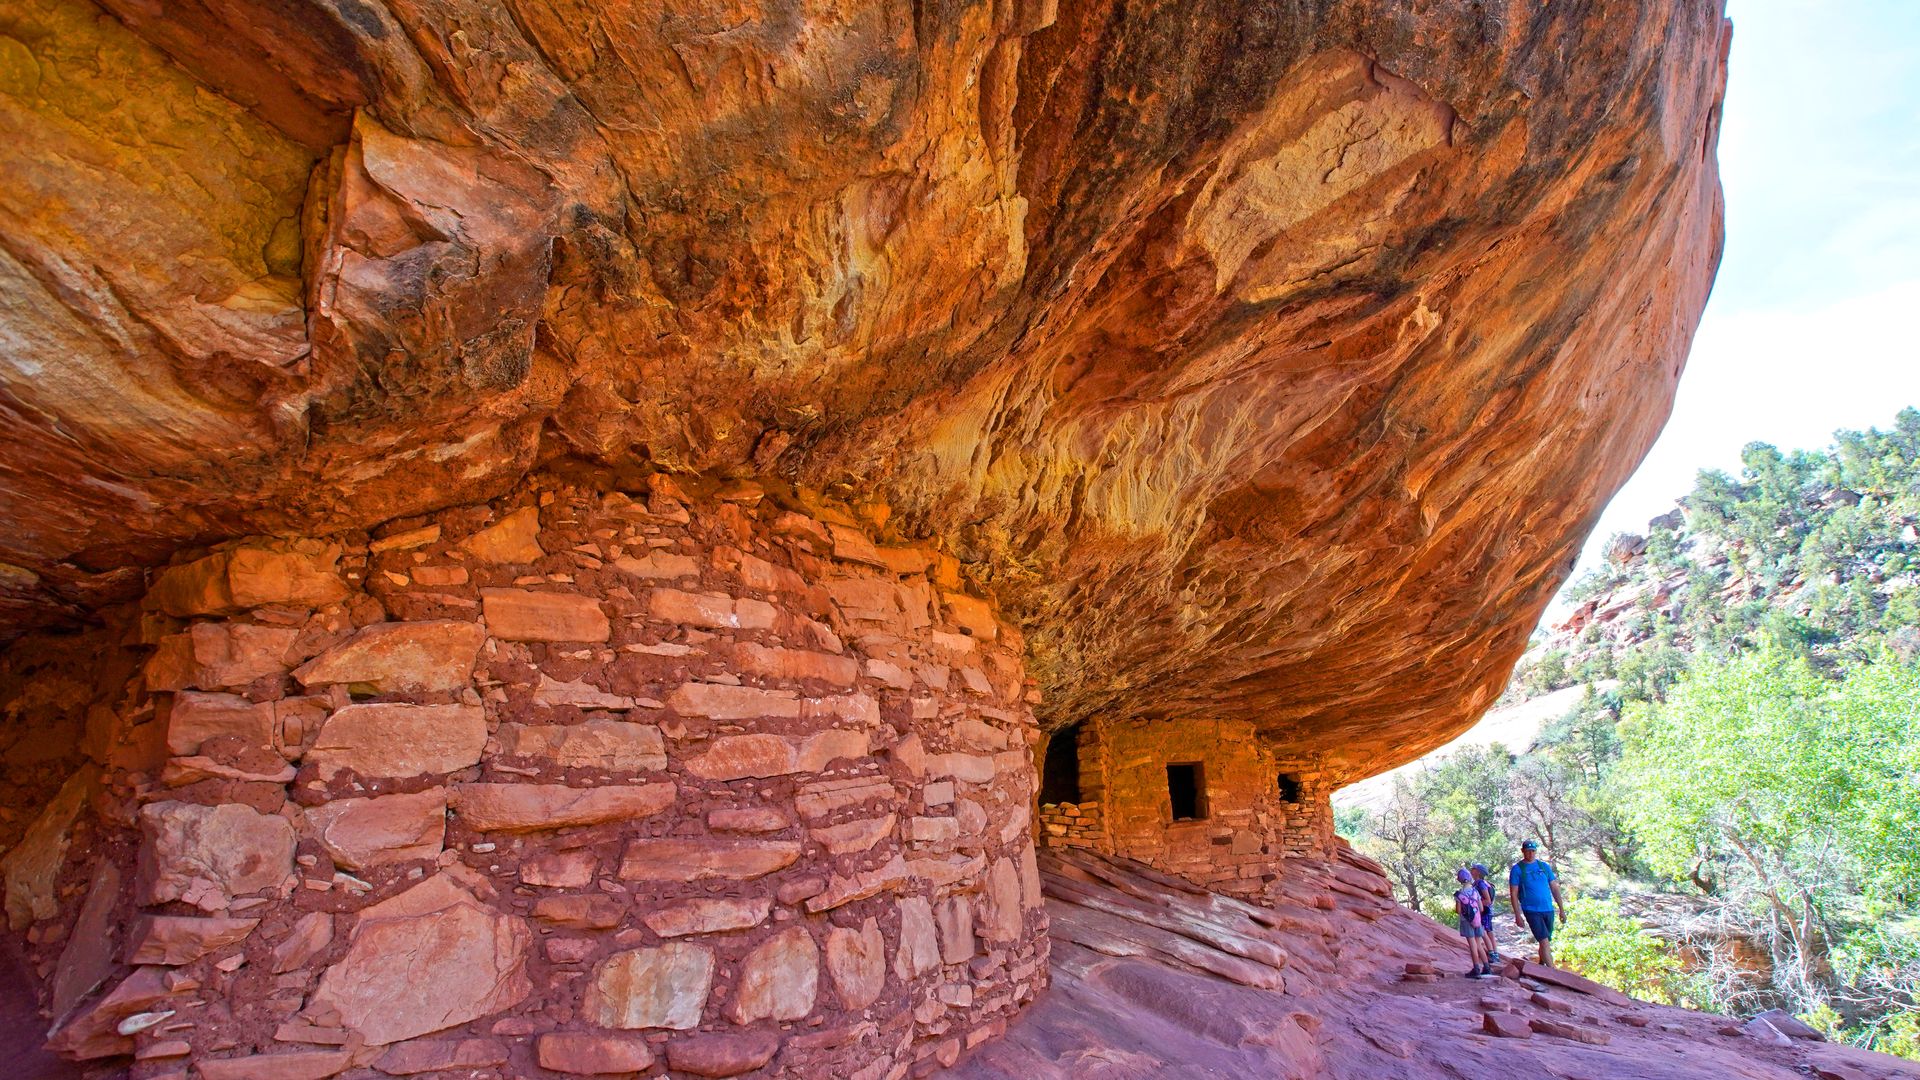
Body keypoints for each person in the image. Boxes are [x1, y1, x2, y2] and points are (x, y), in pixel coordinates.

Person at [1508, 839, 1568, 967]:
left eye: (1533, 851)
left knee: (1545, 940)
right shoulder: (1518, 869)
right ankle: (1553, 973)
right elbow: (1513, 893)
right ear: (1522, 851)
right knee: (1544, 940)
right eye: (1528, 851)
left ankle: (1541, 966)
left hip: (1548, 908)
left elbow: (1554, 887)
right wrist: (1518, 915)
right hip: (1531, 910)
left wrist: (1561, 909)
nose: (1531, 854)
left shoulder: (1544, 867)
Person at [1453, 868, 1494, 978]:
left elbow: (1458, 910)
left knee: (1472, 945)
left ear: (1459, 880)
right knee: (1478, 944)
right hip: (1477, 920)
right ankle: (1486, 967)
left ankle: (1476, 969)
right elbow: (1481, 908)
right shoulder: (1475, 892)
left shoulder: (1459, 894)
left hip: (1466, 921)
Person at [1469, 863, 1501, 963]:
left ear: (1478, 872)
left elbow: (1487, 900)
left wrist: (1473, 904)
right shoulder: (1482, 883)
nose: (1471, 869)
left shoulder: (1480, 884)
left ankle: (1492, 953)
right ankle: (1495, 953)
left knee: (1483, 932)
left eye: (1473, 868)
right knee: (1489, 931)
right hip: (1487, 911)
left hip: (1484, 912)